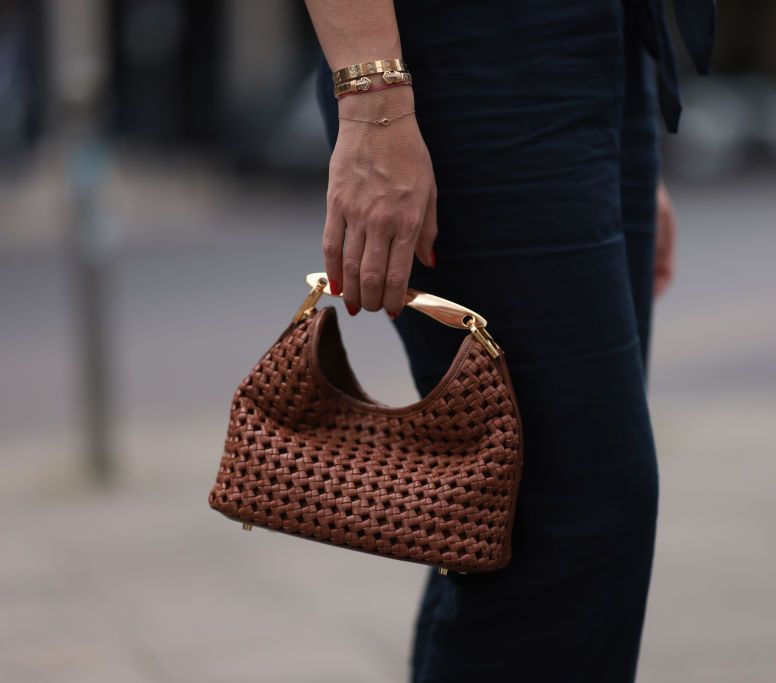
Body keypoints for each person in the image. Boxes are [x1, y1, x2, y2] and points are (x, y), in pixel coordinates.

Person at [304, 0, 713, 680]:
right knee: (567, 514)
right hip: (473, 50)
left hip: (601, 56)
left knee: (513, 516)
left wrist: (618, 159)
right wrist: (373, 97)